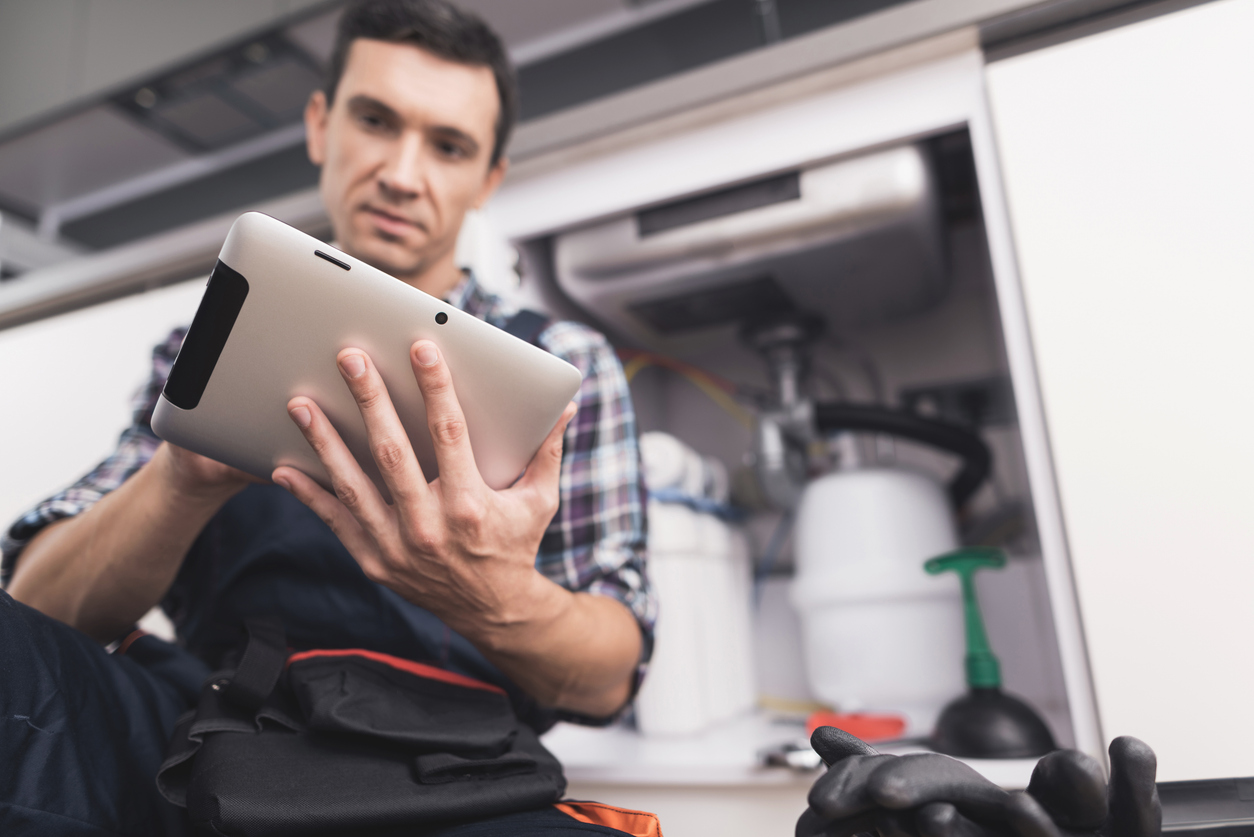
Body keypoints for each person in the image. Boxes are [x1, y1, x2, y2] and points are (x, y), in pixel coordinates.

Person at [0, 2, 654, 834]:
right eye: (376, 121)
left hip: (453, 765)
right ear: (320, 124)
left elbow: (609, 676)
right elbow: (38, 606)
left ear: (489, 178)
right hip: (217, 730)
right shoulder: (210, 334)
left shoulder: (564, 365)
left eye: (448, 146)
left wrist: (494, 598)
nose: (402, 173)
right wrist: (180, 478)